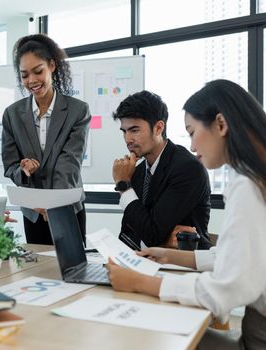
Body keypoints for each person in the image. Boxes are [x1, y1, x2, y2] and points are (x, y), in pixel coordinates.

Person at [106, 79, 266, 349]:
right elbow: (240, 258)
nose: (193, 146)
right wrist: (170, 255)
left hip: (258, 335)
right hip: (257, 324)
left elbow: (227, 289)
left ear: (221, 124)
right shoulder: (255, 178)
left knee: (148, 340)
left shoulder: (246, 186)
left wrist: (141, 283)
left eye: (192, 132)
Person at [1, 34, 90, 245]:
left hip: (67, 207)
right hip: (33, 213)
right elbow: (10, 165)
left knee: (72, 272)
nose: (31, 80)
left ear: (52, 66)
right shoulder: (12, 115)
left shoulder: (77, 110)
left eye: (38, 71)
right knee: (37, 272)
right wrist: (22, 171)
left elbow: (70, 164)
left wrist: (54, 204)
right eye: (24, 75)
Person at [111, 90, 212, 249]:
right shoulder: (137, 172)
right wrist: (158, 241)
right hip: (146, 262)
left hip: (184, 266)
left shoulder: (188, 168)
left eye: (134, 130)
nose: (128, 139)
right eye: (124, 131)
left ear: (158, 128)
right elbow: (127, 236)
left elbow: (152, 234)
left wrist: (124, 186)